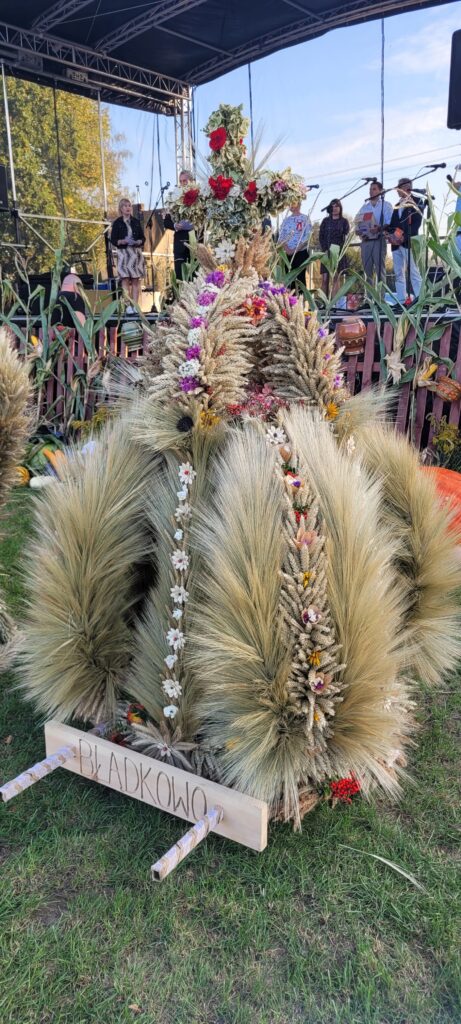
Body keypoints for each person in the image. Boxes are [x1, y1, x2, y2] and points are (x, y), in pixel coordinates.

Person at [386, 178, 424, 304]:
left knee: (413, 271)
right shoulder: (397, 205)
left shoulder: (417, 201)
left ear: (406, 187)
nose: (397, 190)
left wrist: (405, 237)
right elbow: (392, 224)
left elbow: (417, 223)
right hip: (396, 244)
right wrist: (391, 234)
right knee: (398, 273)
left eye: (399, 187)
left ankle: (420, 300)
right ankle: (401, 301)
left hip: (409, 242)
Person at [110, 198, 145, 312]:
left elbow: (143, 238)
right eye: (125, 206)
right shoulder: (117, 222)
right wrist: (122, 241)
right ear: (121, 209)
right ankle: (127, 306)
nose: (128, 208)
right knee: (125, 280)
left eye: (129, 205)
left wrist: (138, 241)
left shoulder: (136, 222)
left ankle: (135, 306)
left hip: (135, 253)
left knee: (135, 280)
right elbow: (113, 240)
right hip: (123, 254)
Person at [356, 180, 393, 285]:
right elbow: (357, 222)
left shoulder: (386, 205)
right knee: (367, 271)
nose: (371, 191)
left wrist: (379, 228)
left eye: (374, 189)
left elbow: (389, 222)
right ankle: (369, 294)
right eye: (370, 189)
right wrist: (358, 231)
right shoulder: (364, 207)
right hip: (366, 241)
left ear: (381, 191)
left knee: (380, 270)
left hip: (379, 240)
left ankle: (381, 295)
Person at [163, 169, 196, 281]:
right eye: (180, 181)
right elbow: (166, 222)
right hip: (180, 242)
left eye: (185, 181)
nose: (182, 183)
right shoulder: (174, 198)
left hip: (195, 241)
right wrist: (175, 225)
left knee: (195, 276)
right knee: (180, 277)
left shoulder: (199, 197)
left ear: (191, 181)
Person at [318, 200, 350, 298]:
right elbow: (321, 236)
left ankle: (335, 302)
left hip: (338, 252)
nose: (335, 208)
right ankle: (323, 302)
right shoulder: (325, 221)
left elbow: (346, 236)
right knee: (325, 279)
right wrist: (324, 249)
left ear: (340, 208)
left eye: (337, 206)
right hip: (326, 252)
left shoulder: (344, 221)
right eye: (333, 206)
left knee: (336, 278)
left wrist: (339, 249)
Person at [277, 201, 312, 286]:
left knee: (300, 278)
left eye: (293, 203)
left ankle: (300, 294)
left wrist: (295, 250)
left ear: (299, 204)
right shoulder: (286, 220)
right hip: (287, 254)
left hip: (301, 253)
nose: (291, 205)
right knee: (289, 278)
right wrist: (287, 249)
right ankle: (290, 294)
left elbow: (307, 237)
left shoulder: (305, 218)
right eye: (290, 203)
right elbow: (281, 237)